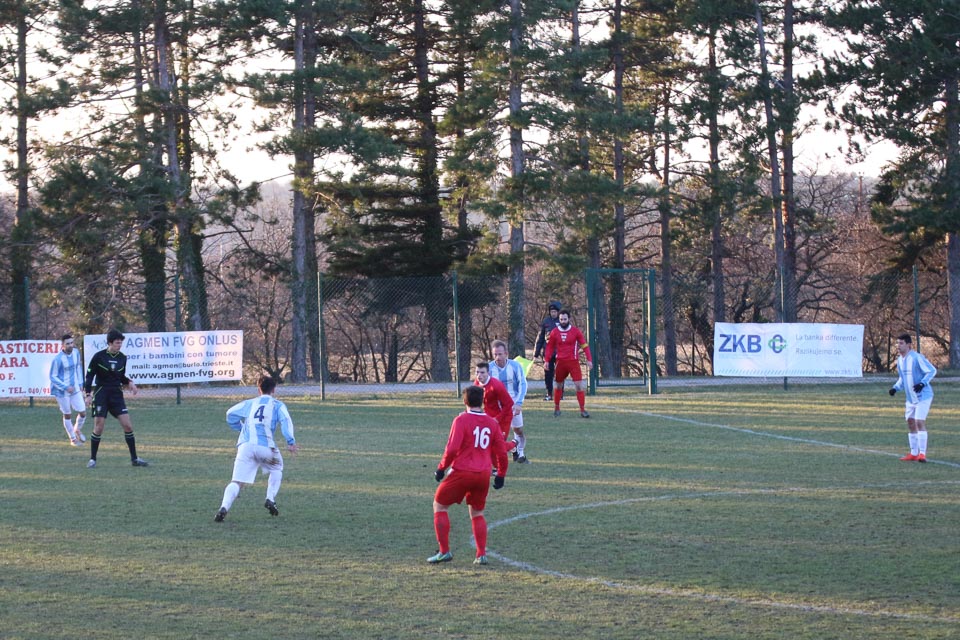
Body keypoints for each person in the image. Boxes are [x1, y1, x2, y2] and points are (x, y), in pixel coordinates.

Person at [428, 385, 509, 565]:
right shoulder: (492, 423)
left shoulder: (461, 420)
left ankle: (444, 552)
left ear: (465, 401)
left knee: (439, 505)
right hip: (483, 474)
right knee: (477, 512)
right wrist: (501, 474)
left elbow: (452, 449)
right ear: (482, 401)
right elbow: (502, 452)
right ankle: (481, 555)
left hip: (462, 472)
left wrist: (441, 468)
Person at [215, 375, 299, 522]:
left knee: (236, 481)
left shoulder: (250, 403)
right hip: (266, 447)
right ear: (274, 389)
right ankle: (270, 498)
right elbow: (286, 420)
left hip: (246, 447)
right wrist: (290, 441)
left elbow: (230, 413)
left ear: (258, 389)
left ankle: (224, 507)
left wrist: (240, 427)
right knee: (276, 468)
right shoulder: (278, 405)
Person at [83, 328, 148, 468]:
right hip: (101, 394)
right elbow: (89, 376)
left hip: (116, 395)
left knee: (128, 426)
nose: (119, 345)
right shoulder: (99, 357)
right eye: (117, 343)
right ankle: (92, 459)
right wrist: (88, 394)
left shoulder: (122, 358)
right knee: (99, 426)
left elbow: (120, 376)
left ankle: (134, 459)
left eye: (121, 343)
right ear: (110, 343)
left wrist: (129, 382)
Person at [888, 333, 937, 462]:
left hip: (923, 396)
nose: (898, 346)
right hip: (910, 399)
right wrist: (895, 388)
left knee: (919, 422)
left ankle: (922, 454)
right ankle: (914, 453)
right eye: (897, 343)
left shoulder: (916, 358)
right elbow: (902, 378)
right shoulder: (900, 360)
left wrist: (922, 383)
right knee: (910, 422)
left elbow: (932, 370)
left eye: (901, 343)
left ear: (909, 345)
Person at [544, 309, 593, 419]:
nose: (563, 321)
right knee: (558, 385)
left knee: (579, 385)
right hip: (560, 362)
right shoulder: (554, 332)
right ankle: (557, 408)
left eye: (565, 319)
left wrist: (589, 359)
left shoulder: (575, 331)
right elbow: (550, 347)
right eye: (561, 319)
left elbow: (584, 345)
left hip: (573, 362)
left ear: (569, 319)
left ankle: (583, 410)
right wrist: (546, 360)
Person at [489, 339, 529, 463]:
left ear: (506, 353)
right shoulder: (489, 368)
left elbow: (523, 384)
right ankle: (510, 449)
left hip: (513, 404)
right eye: (495, 354)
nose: (497, 357)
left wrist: (519, 403)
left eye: (500, 354)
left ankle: (520, 453)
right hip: (497, 407)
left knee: (518, 430)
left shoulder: (515, 366)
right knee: (496, 435)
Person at [49, 333, 87, 447]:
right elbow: (52, 377)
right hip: (61, 391)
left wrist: (80, 383)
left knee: (83, 412)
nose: (70, 345)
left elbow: (78, 367)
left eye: (71, 343)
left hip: (75, 388)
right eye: (68, 344)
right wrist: (65, 387)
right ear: (62, 346)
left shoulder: (76, 353)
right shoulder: (58, 359)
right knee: (67, 414)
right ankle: (73, 439)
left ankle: (77, 429)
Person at [473, 361, 515, 447]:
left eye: (482, 372)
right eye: (477, 372)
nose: (479, 375)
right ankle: (512, 447)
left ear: (488, 373)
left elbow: (509, 404)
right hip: (488, 418)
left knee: (498, 445)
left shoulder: (496, 385)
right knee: (486, 443)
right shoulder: (476, 383)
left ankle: (513, 445)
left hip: (503, 418)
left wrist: (497, 419)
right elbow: (475, 402)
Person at [534, 301, 563, 400]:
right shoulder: (546, 321)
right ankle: (549, 394)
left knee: (560, 374)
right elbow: (540, 337)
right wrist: (536, 352)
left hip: (560, 352)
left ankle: (560, 394)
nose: (553, 313)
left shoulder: (563, 321)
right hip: (548, 352)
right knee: (548, 374)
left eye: (555, 311)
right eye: (551, 311)